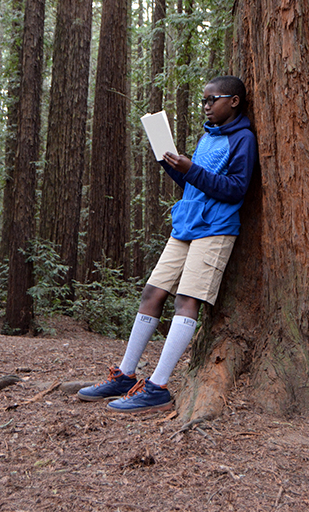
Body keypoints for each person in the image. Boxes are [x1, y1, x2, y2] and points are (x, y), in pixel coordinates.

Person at [77, 75, 257, 414]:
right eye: (203, 100)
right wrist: (173, 164)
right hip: (186, 225)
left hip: (215, 228)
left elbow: (235, 189)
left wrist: (192, 170)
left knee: (186, 301)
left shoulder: (243, 139)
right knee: (152, 293)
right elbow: (195, 182)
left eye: (212, 99)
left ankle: (158, 387)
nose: (205, 106)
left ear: (233, 101)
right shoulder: (208, 137)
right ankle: (125, 375)